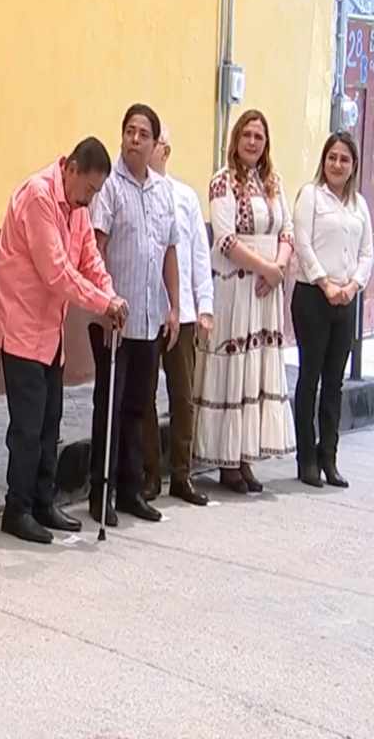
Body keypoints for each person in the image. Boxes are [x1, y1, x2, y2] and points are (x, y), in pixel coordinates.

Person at [0, 138, 127, 544]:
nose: (91, 199)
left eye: (97, 192)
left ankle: (43, 502)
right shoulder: (38, 197)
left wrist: (110, 293)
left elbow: (87, 259)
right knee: (27, 427)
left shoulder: (76, 208)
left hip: (50, 332)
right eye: (89, 189)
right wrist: (102, 302)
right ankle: (18, 508)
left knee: (50, 422)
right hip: (21, 326)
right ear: (72, 169)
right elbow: (57, 272)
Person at [192, 110, 296, 491]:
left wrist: (278, 267)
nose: (253, 142)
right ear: (235, 140)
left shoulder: (273, 182)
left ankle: (246, 454)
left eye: (259, 136)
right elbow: (224, 238)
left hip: (267, 289)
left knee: (257, 368)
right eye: (247, 135)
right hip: (237, 287)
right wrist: (264, 268)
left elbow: (287, 229)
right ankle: (227, 461)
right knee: (234, 370)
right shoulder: (222, 183)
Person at [88, 104, 180, 526]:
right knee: (109, 405)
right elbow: (96, 248)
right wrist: (104, 302)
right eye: (129, 131)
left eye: (143, 133)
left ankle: (130, 489)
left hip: (149, 318)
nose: (134, 139)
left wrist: (175, 307)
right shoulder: (109, 187)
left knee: (138, 407)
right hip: (115, 319)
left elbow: (169, 253)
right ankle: (100, 493)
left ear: (156, 143)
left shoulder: (163, 192)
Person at [291, 131, 372, 487]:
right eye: (332, 158)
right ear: (323, 161)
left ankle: (329, 457)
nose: (337, 164)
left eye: (344, 159)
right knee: (309, 378)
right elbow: (302, 242)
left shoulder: (359, 205)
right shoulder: (310, 196)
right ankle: (306, 459)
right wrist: (325, 283)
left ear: (353, 165)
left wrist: (353, 286)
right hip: (313, 295)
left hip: (346, 299)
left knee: (334, 383)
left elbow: (367, 252)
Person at [140, 130, 214, 506]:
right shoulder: (136, 194)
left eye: (152, 141)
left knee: (183, 398)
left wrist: (205, 307)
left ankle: (181, 474)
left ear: (164, 150)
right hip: (147, 312)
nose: (144, 146)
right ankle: (151, 474)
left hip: (182, 313)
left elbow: (199, 255)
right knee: (145, 397)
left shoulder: (185, 196)